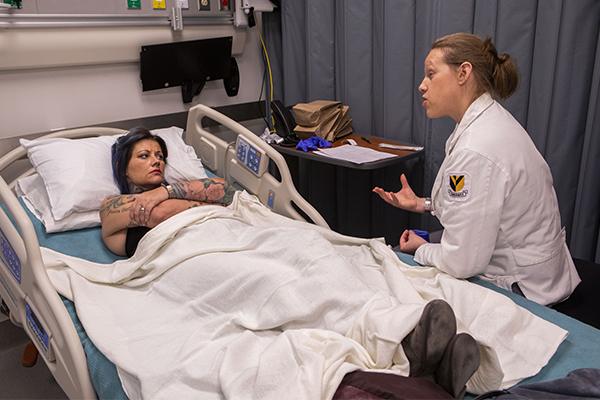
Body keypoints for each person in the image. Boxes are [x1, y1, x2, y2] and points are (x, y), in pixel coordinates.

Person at [373, 33, 580, 306]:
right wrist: (423, 204)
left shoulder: (476, 148)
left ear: (464, 73)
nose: (422, 86)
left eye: (431, 74)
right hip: (539, 270)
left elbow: (462, 263)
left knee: (395, 266)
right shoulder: (490, 120)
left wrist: (422, 251)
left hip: (523, 288)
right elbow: (484, 204)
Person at [100, 127, 235, 257]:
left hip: (227, 239)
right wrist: (215, 206)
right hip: (189, 257)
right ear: (123, 168)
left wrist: (165, 191)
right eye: (144, 156)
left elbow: (227, 191)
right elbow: (159, 213)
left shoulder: (176, 190)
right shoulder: (110, 205)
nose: (156, 161)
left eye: (160, 157)